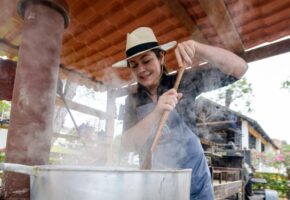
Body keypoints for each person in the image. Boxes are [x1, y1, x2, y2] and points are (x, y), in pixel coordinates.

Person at [112, 27, 248, 200]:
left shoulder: (181, 81)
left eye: (146, 61)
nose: (141, 70)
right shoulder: (132, 100)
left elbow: (239, 68)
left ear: (161, 57)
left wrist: (198, 48)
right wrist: (156, 112)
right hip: (155, 188)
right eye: (134, 65)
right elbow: (127, 145)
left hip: (195, 185)